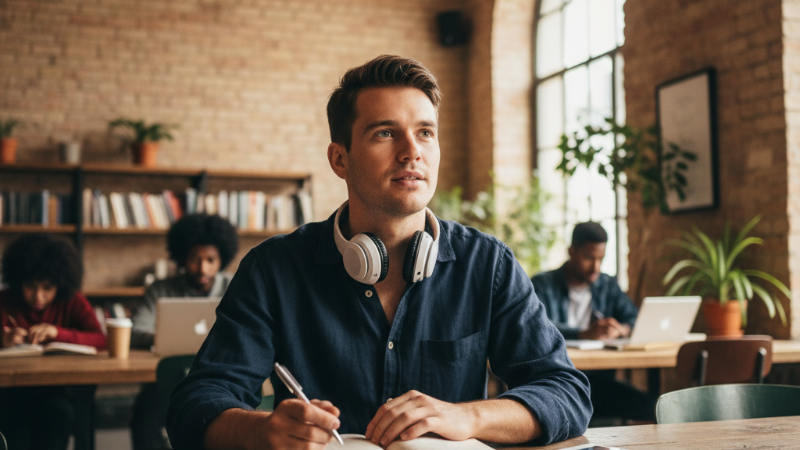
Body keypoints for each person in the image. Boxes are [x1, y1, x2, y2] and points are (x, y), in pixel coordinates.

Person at [166, 55, 592, 450]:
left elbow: (566, 393)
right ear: (340, 159)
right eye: (385, 133)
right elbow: (194, 405)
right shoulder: (273, 269)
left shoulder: (488, 264)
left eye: (425, 132)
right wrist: (263, 429)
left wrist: (469, 417)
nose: (412, 152)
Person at [130, 213, 239, 450]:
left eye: (210, 259)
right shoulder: (160, 289)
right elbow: (136, 330)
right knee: (144, 416)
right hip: (166, 379)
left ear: (222, 259)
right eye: (194, 259)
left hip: (222, 377)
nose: (202, 267)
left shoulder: (236, 285)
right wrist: (170, 337)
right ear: (181, 258)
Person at [531, 221, 653, 422]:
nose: (596, 267)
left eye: (601, 259)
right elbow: (538, 326)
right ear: (572, 251)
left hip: (598, 381)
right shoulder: (543, 285)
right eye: (589, 258)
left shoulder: (606, 285)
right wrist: (583, 334)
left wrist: (620, 329)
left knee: (652, 408)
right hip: (556, 382)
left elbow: (634, 317)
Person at [0, 234, 106, 450]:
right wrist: (2, 339)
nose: (38, 296)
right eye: (30, 286)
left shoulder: (72, 300)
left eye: (47, 287)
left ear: (61, 283)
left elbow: (99, 338)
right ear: (18, 279)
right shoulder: (5, 300)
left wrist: (58, 333)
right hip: (8, 392)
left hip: (54, 392)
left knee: (59, 417)